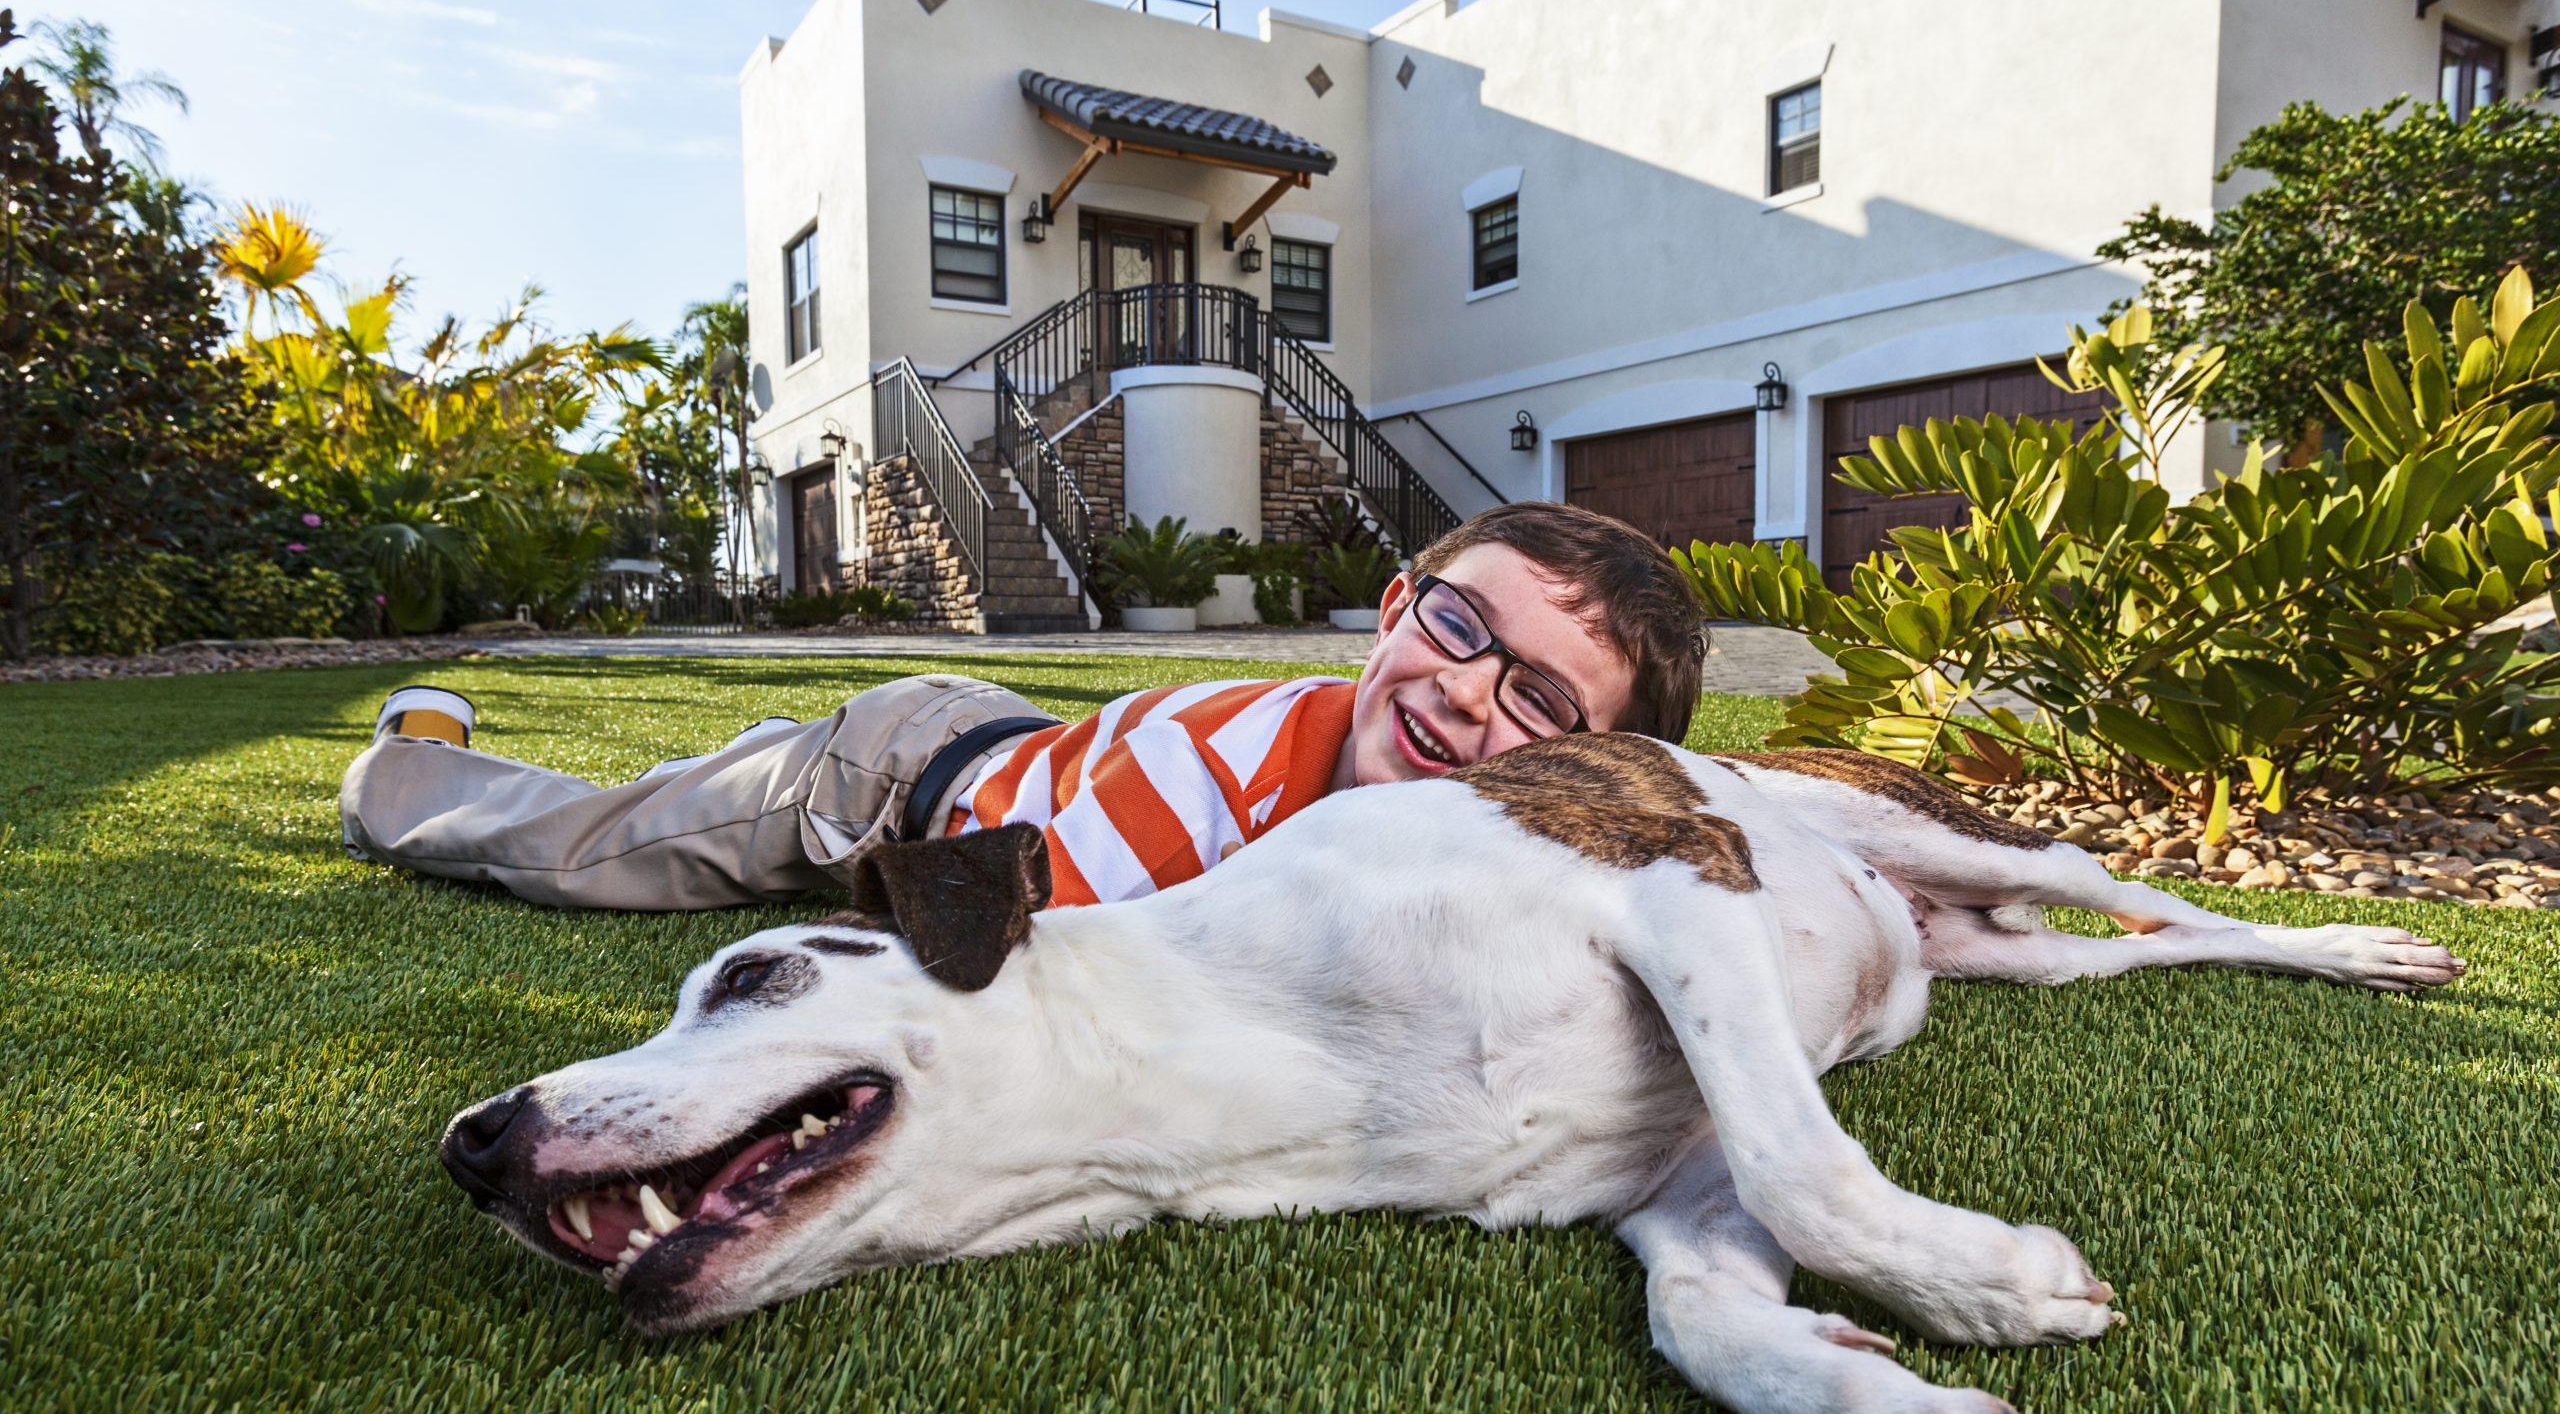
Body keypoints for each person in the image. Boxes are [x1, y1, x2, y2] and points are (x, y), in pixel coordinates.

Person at [338, 502, 1708, 912]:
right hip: (894, 781)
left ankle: (744, 759)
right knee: (592, 853)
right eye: (1460, 627)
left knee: (707, 782)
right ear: (1397, 614)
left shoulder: (1535, 857)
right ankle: (410, 763)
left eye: (1536, 694)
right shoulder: (1208, 793)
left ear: (1605, 771)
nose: (1467, 693)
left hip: (1017, 744)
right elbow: (964, 945)